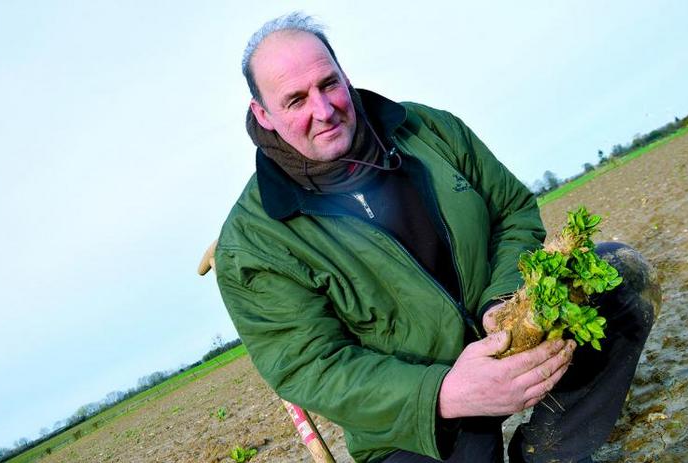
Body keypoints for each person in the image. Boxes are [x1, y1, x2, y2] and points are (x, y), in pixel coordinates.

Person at [212, 13, 659, 463]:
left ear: (345, 76)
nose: (323, 110)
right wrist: (444, 393)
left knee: (618, 276)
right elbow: (312, 367)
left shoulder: (429, 129)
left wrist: (502, 302)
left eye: (328, 84)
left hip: (509, 332)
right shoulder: (252, 243)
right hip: (416, 414)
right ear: (263, 114)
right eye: (295, 100)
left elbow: (512, 211)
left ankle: (547, 451)